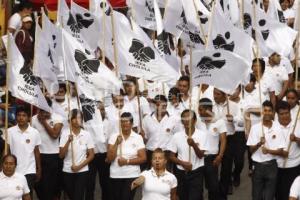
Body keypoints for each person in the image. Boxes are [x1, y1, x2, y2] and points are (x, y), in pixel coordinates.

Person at [247, 101, 285, 200]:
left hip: (272, 166)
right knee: (256, 196)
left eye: (269, 111)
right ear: (262, 112)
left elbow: (281, 151)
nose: (267, 113)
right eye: (265, 110)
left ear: (273, 113)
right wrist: (259, 143)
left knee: (269, 197)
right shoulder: (255, 128)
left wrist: (268, 151)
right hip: (258, 166)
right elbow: (251, 150)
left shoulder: (278, 127)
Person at [167, 109, 207, 200]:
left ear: (195, 120)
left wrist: (193, 145)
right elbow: (171, 156)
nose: (186, 120)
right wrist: (182, 163)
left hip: (196, 172)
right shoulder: (176, 136)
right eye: (184, 118)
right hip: (181, 173)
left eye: (189, 118)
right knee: (182, 197)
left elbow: (201, 155)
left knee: (195, 197)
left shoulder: (202, 135)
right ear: (182, 121)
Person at [107, 112, 147, 200]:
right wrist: (116, 143)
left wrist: (127, 161)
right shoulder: (113, 137)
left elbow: (143, 158)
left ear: (132, 123)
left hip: (131, 175)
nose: (125, 124)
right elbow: (109, 159)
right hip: (115, 175)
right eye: (122, 121)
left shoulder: (138, 137)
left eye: (127, 121)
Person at [31, 98, 64, 200]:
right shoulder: (33, 119)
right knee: (39, 184)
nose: (42, 110)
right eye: (40, 108)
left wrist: (44, 121)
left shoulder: (58, 118)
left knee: (54, 185)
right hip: (38, 155)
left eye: (45, 108)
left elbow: (54, 135)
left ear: (50, 107)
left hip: (53, 156)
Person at [59, 109, 95, 200]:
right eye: (74, 118)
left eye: (79, 118)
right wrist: (68, 141)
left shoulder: (86, 134)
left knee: (78, 196)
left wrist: (79, 166)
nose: (76, 120)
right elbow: (61, 155)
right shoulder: (65, 133)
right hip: (67, 170)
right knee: (71, 196)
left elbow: (91, 155)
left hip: (82, 171)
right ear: (70, 120)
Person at [7, 105, 42, 197]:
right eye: (19, 115)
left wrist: (39, 168)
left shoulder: (35, 132)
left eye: (24, 115)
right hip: (14, 170)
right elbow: (6, 151)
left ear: (29, 118)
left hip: (29, 170)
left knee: (27, 195)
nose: (21, 118)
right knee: (15, 195)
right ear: (16, 116)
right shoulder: (10, 131)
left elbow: (36, 151)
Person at [197, 98, 227, 200]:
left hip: (212, 159)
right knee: (198, 187)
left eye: (200, 109)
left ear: (208, 109)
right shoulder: (196, 121)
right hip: (198, 158)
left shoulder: (219, 121)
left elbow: (223, 140)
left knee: (213, 187)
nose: (198, 112)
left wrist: (220, 156)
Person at [142, 95, 182, 167]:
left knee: (166, 177)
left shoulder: (174, 119)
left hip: (166, 153)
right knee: (151, 177)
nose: (161, 107)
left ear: (166, 105)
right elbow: (144, 140)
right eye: (158, 105)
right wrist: (142, 137)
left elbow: (178, 137)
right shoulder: (146, 119)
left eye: (163, 105)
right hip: (151, 153)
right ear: (154, 105)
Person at [85, 102, 112, 200]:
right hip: (91, 156)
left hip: (104, 156)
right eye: (98, 110)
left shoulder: (108, 123)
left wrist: (109, 156)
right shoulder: (88, 122)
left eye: (102, 109)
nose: (101, 111)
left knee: (105, 184)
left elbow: (110, 141)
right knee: (89, 184)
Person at [275, 101, 300, 200]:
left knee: (290, 194)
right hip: (276, 166)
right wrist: (280, 152)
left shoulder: (298, 125)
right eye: (282, 114)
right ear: (277, 114)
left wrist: (296, 139)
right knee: (278, 194)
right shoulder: (273, 126)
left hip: (294, 166)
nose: (285, 116)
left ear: (290, 112)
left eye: (287, 113)